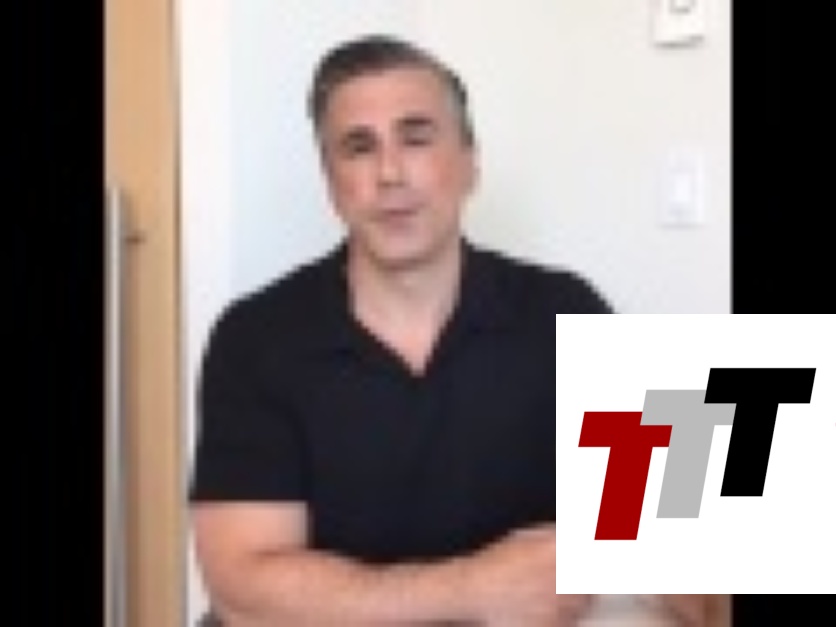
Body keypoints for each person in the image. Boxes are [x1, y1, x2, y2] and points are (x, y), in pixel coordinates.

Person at [189, 34, 728, 626]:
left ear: (471, 163)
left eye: (416, 138)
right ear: (330, 183)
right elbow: (244, 590)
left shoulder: (567, 312)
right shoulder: (256, 339)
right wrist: (472, 589)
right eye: (359, 148)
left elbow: (683, 559)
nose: (390, 173)